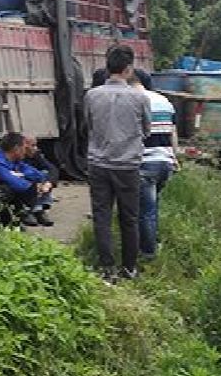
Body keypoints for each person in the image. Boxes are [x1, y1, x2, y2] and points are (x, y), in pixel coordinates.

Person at [84, 45, 150, 284]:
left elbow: (88, 126)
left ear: (107, 66)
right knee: (129, 218)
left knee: (102, 216)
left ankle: (106, 269)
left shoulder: (91, 95)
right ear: (129, 69)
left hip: (99, 163)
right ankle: (129, 268)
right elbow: (146, 130)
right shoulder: (140, 97)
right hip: (127, 165)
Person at [128, 71, 179, 262]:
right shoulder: (165, 101)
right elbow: (173, 133)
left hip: (145, 163)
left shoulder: (134, 100)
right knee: (152, 207)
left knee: (145, 211)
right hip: (165, 162)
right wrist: (174, 158)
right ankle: (152, 243)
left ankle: (148, 254)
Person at [0, 132, 55, 227]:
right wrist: (37, 186)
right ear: (16, 148)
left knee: (38, 179)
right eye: (24, 148)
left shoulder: (16, 161)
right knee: (7, 189)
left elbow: (39, 175)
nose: (26, 151)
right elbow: (18, 185)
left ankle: (33, 211)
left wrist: (45, 183)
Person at [23, 135, 58, 225]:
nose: (36, 148)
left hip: (34, 186)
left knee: (45, 173)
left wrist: (49, 183)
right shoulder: (15, 157)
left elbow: (52, 169)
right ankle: (27, 210)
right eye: (33, 145)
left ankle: (39, 210)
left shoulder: (36, 155)